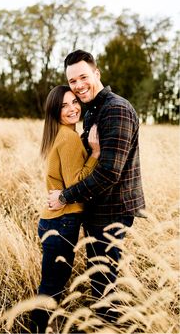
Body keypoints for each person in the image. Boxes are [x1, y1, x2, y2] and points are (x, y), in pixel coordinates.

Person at [48, 49, 146, 323]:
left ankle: (109, 326)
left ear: (96, 73)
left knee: (104, 288)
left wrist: (65, 196)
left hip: (111, 212)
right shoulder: (92, 109)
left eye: (83, 77)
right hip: (96, 209)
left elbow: (108, 173)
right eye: (72, 82)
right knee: (99, 281)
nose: (78, 86)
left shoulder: (116, 109)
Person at [30, 85, 100, 333]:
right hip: (62, 222)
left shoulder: (58, 134)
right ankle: (37, 329)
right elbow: (76, 183)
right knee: (51, 289)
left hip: (53, 221)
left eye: (74, 102)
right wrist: (96, 153)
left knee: (51, 286)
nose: (73, 108)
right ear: (55, 112)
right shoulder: (68, 137)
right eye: (64, 106)